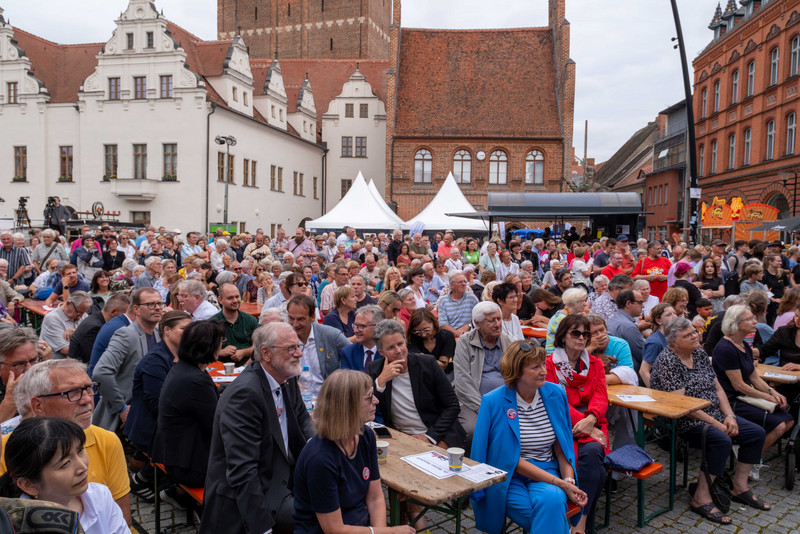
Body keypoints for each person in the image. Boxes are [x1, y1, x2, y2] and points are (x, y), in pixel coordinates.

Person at [651, 319, 770, 525]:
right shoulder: (668, 360)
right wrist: (718, 425)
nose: (695, 336)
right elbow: (682, 405)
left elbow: (718, 389)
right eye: (688, 335)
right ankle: (700, 498)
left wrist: (729, 416)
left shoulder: (699, 354)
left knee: (756, 433)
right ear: (674, 342)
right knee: (721, 440)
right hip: (681, 418)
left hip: (714, 413)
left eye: (694, 332)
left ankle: (739, 487)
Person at [200, 322, 313, 534]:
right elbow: (243, 470)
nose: (298, 353)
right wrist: (262, 528)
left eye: (299, 346)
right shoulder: (245, 394)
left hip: (283, 477)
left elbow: (302, 418)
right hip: (257, 492)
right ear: (266, 353)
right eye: (291, 348)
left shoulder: (286, 378)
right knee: (319, 518)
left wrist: (319, 447)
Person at [470, 340, 586, 534]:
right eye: (535, 367)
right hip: (509, 476)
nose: (543, 370)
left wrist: (569, 480)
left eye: (543, 364)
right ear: (517, 372)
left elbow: (562, 446)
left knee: (553, 501)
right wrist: (559, 483)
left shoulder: (555, 393)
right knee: (552, 515)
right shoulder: (493, 401)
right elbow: (505, 457)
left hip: (546, 470)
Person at [8, 359, 131, 525]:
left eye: (89, 388)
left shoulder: (107, 441)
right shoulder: (9, 451)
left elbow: (122, 519)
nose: (87, 399)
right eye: (72, 393)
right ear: (38, 405)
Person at [293, 370, 415, 534]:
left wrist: (379, 531)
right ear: (347, 406)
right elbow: (334, 529)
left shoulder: (366, 436)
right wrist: (388, 532)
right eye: (369, 397)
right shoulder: (320, 458)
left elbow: (375, 497)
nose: (376, 401)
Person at [4, 418, 128, 534]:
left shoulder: (100, 496)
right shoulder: (15, 526)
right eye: (65, 464)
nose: (83, 468)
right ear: (28, 485)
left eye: (80, 451)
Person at [712, 304, 794, 479]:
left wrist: (773, 392)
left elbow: (754, 377)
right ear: (735, 323)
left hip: (744, 396)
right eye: (749, 319)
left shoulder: (744, 345)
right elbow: (739, 385)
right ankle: (752, 460)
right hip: (731, 400)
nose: (754, 321)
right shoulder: (726, 348)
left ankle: (752, 456)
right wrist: (766, 396)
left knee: (788, 421)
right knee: (779, 425)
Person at [545, 314, 608, 532]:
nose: (581, 338)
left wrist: (590, 420)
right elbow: (554, 401)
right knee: (597, 471)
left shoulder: (596, 364)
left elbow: (601, 395)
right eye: (575, 333)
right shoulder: (549, 365)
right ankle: (580, 521)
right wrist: (585, 423)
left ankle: (579, 524)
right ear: (562, 336)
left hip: (594, 421)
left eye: (585, 334)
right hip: (562, 425)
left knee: (592, 456)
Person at [125, 310, 191, 499]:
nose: (189, 334)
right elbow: (159, 405)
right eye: (184, 329)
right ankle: (144, 479)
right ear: (167, 331)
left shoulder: (180, 354)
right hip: (150, 426)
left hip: (164, 422)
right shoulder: (155, 361)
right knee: (194, 441)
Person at [369, 319, 465, 449]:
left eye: (400, 344)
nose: (398, 350)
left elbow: (453, 405)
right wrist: (381, 382)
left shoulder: (427, 364)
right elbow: (370, 408)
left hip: (438, 434)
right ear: (381, 352)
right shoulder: (376, 370)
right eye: (391, 347)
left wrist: (429, 437)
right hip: (400, 436)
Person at [152, 320, 221, 492]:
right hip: (190, 466)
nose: (222, 346)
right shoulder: (195, 379)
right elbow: (217, 426)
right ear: (208, 347)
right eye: (221, 342)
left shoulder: (184, 369)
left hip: (177, 455)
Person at [92, 287, 163, 431]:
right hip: (122, 420)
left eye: (160, 304)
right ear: (136, 309)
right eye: (150, 304)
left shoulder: (158, 333)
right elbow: (101, 372)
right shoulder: (126, 335)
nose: (157, 308)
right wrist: (121, 408)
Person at [453, 302, 513, 439]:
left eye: (499, 319)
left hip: (505, 400)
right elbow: (462, 381)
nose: (498, 324)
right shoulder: (465, 342)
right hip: (473, 402)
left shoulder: (509, 342)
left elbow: (518, 376)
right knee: (473, 430)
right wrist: (483, 408)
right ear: (477, 323)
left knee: (512, 428)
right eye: (491, 321)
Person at [287, 295, 351, 396]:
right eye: (291, 318)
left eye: (300, 319)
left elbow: (354, 355)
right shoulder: (284, 339)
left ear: (313, 317)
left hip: (328, 400)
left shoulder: (331, 335)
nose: (295, 324)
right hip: (297, 402)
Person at [67, 293, 130, 364]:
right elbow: (95, 359)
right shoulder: (95, 328)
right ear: (113, 311)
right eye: (125, 315)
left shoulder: (97, 318)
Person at [212, 283, 259, 364]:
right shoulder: (212, 323)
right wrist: (221, 352)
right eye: (230, 298)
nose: (235, 300)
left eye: (237, 297)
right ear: (220, 300)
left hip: (247, 366)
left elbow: (258, 347)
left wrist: (243, 352)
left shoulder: (251, 320)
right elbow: (203, 352)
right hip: (220, 369)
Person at [39, 291, 91, 357]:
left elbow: (92, 336)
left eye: (84, 313)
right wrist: (80, 335)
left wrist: (76, 332)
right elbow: (66, 350)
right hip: (57, 363)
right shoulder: (52, 318)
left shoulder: (82, 314)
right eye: (79, 313)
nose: (81, 317)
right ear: (68, 303)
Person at [407, 308, 456, 378]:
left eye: (426, 329)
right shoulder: (412, 338)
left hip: (444, 374)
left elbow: (443, 365)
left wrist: (423, 359)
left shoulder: (447, 336)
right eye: (418, 332)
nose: (423, 334)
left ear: (433, 322)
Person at [639, 303, 677, 387]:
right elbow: (644, 371)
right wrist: (655, 392)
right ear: (659, 321)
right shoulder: (655, 342)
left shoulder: (672, 338)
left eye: (675, 313)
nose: (674, 317)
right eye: (669, 315)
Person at [607, 289, 646, 371]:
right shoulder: (628, 326)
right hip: (629, 373)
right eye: (640, 303)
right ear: (628, 303)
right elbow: (644, 355)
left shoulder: (612, 320)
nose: (643, 306)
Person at [544, 287, 588, 355]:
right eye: (582, 301)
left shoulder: (563, 314)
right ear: (572, 303)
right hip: (556, 355)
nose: (585, 304)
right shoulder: (562, 319)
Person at [341, 306, 385, 373]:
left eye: (361, 326)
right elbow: (347, 382)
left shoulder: (388, 352)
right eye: (355, 325)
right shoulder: (348, 352)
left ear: (378, 327)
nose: (355, 330)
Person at [437, 270, 479, 339]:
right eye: (460, 282)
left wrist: (468, 325)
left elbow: (479, 317)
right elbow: (443, 324)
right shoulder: (444, 300)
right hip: (450, 336)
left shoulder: (472, 298)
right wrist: (456, 333)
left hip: (469, 334)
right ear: (452, 285)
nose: (464, 284)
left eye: (465, 281)